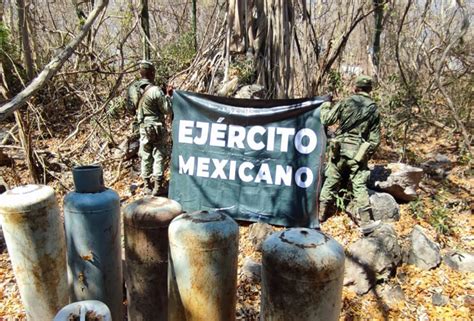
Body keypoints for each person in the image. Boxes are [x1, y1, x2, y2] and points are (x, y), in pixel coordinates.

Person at [319, 75, 381, 234]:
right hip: (357, 153)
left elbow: (326, 120)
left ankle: (319, 217)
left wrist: (325, 105)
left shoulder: (346, 102)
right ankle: (366, 222)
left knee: (331, 179)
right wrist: (365, 155)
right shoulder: (373, 109)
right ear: (370, 90)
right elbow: (375, 139)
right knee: (359, 185)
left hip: (338, 150)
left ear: (355, 88)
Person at [130, 60, 173, 195]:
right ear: (152, 73)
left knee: (145, 155)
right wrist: (169, 96)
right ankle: (158, 187)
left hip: (143, 127)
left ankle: (147, 186)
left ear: (140, 73)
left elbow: (130, 108)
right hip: (157, 127)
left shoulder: (133, 89)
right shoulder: (155, 90)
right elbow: (167, 110)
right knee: (159, 154)